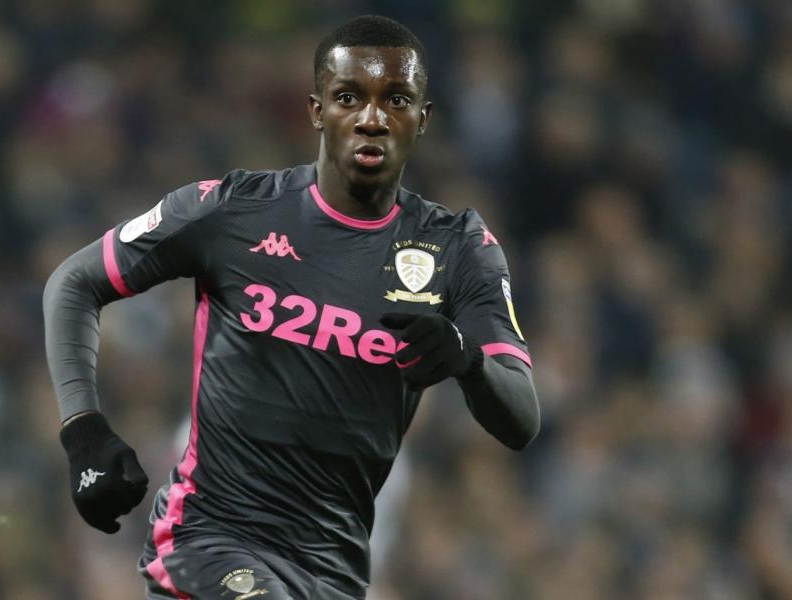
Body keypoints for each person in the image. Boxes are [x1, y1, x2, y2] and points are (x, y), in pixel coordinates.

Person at [43, 14, 539, 600]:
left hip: (332, 570)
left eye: (397, 99)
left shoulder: (458, 250)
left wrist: (468, 361)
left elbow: (521, 419)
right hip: (208, 539)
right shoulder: (231, 212)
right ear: (316, 109)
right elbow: (74, 282)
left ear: (422, 119)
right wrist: (83, 429)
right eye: (349, 97)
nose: (372, 119)